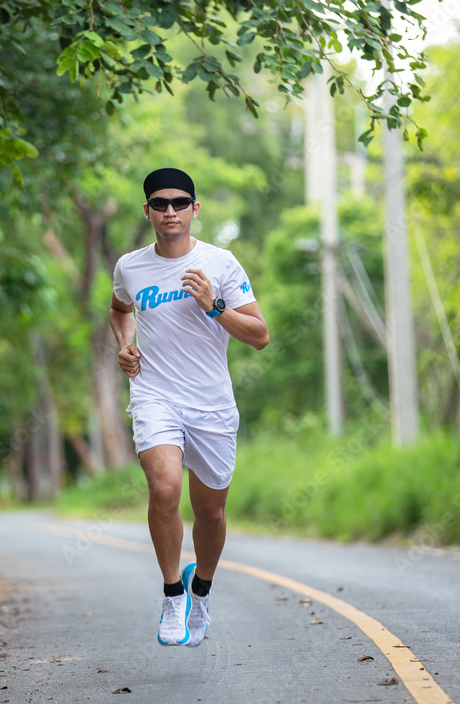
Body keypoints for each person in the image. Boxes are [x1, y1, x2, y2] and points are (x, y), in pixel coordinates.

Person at [109, 167, 269, 647]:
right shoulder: (129, 267)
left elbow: (260, 337)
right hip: (155, 394)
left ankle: (201, 591)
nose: (170, 211)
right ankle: (172, 593)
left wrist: (214, 306)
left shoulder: (220, 263)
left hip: (211, 405)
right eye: (160, 203)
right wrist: (125, 344)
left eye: (180, 203)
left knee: (212, 513)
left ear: (195, 209)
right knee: (164, 488)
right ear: (148, 212)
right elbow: (119, 309)